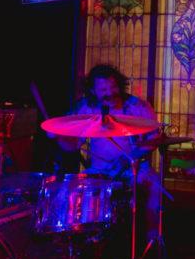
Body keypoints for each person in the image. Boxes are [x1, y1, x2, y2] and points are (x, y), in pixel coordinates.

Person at [54, 64, 162, 241]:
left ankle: (152, 240)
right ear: (93, 90)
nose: (110, 92)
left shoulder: (137, 107)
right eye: (103, 89)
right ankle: (82, 242)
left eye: (113, 86)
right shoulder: (87, 108)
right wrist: (56, 137)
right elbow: (72, 146)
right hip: (99, 170)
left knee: (154, 184)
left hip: (132, 167)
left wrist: (129, 158)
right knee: (70, 188)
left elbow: (154, 140)